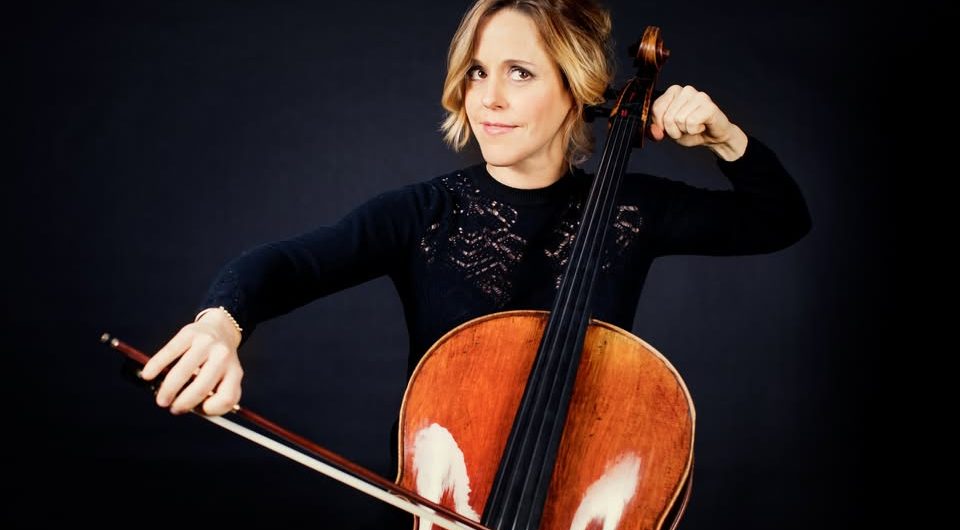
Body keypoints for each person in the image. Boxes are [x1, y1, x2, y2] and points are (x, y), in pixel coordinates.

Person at [141, 0, 810, 525]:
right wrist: (220, 323)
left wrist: (727, 139)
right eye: (477, 71)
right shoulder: (423, 213)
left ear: (576, 87)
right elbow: (290, 264)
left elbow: (779, 219)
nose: (488, 97)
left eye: (520, 72)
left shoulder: (632, 210)